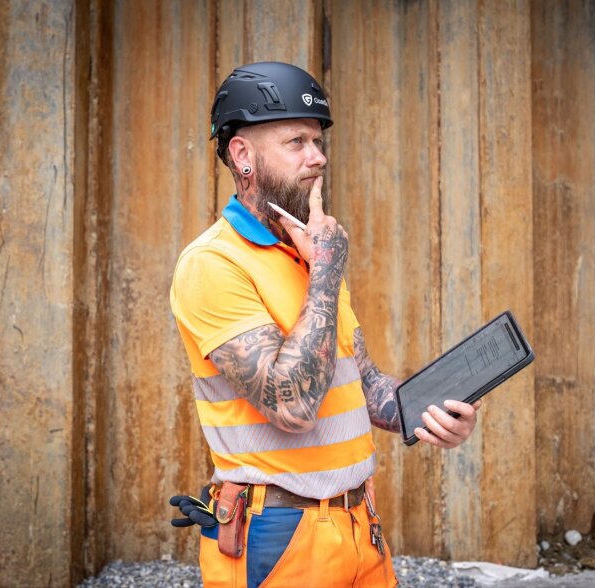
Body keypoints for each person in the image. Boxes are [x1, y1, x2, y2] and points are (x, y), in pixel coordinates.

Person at [169, 61, 480, 588]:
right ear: (243, 155)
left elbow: (362, 381)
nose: (319, 157)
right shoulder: (212, 264)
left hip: (361, 524)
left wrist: (431, 413)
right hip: (280, 535)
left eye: (317, 141)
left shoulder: (310, 255)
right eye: (297, 142)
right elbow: (291, 405)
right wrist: (328, 274)